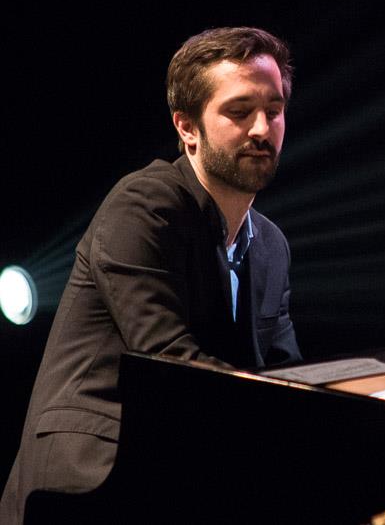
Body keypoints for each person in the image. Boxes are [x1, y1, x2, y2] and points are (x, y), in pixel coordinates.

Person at [1, 26, 303, 523]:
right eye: (239, 111)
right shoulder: (144, 204)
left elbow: (285, 376)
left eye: (273, 110)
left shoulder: (271, 246)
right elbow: (168, 359)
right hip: (93, 473)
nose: (261, 128)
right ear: (187, 127)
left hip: (178, 473)